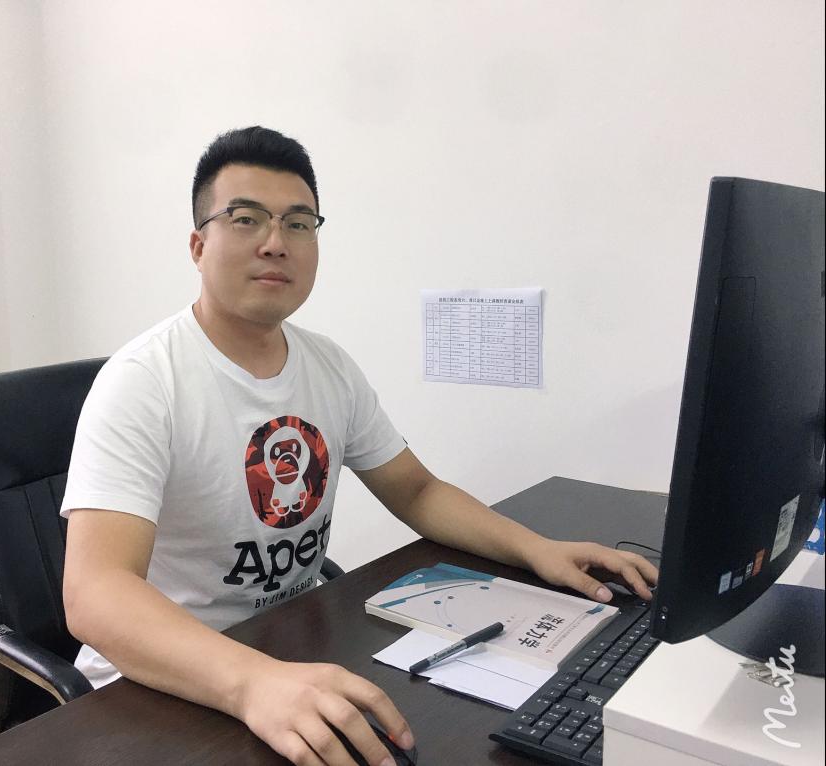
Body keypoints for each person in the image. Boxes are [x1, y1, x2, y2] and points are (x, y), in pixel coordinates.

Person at [61, 126, 659, 766]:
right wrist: (251, 682)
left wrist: (538, 550)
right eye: (246, 218)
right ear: (198, 245)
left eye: (298, 224)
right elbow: (95, 593)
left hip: (288, 650)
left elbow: (417, 491)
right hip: (165, 681)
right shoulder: (144, 382)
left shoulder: (329, 367)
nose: (275, 242)